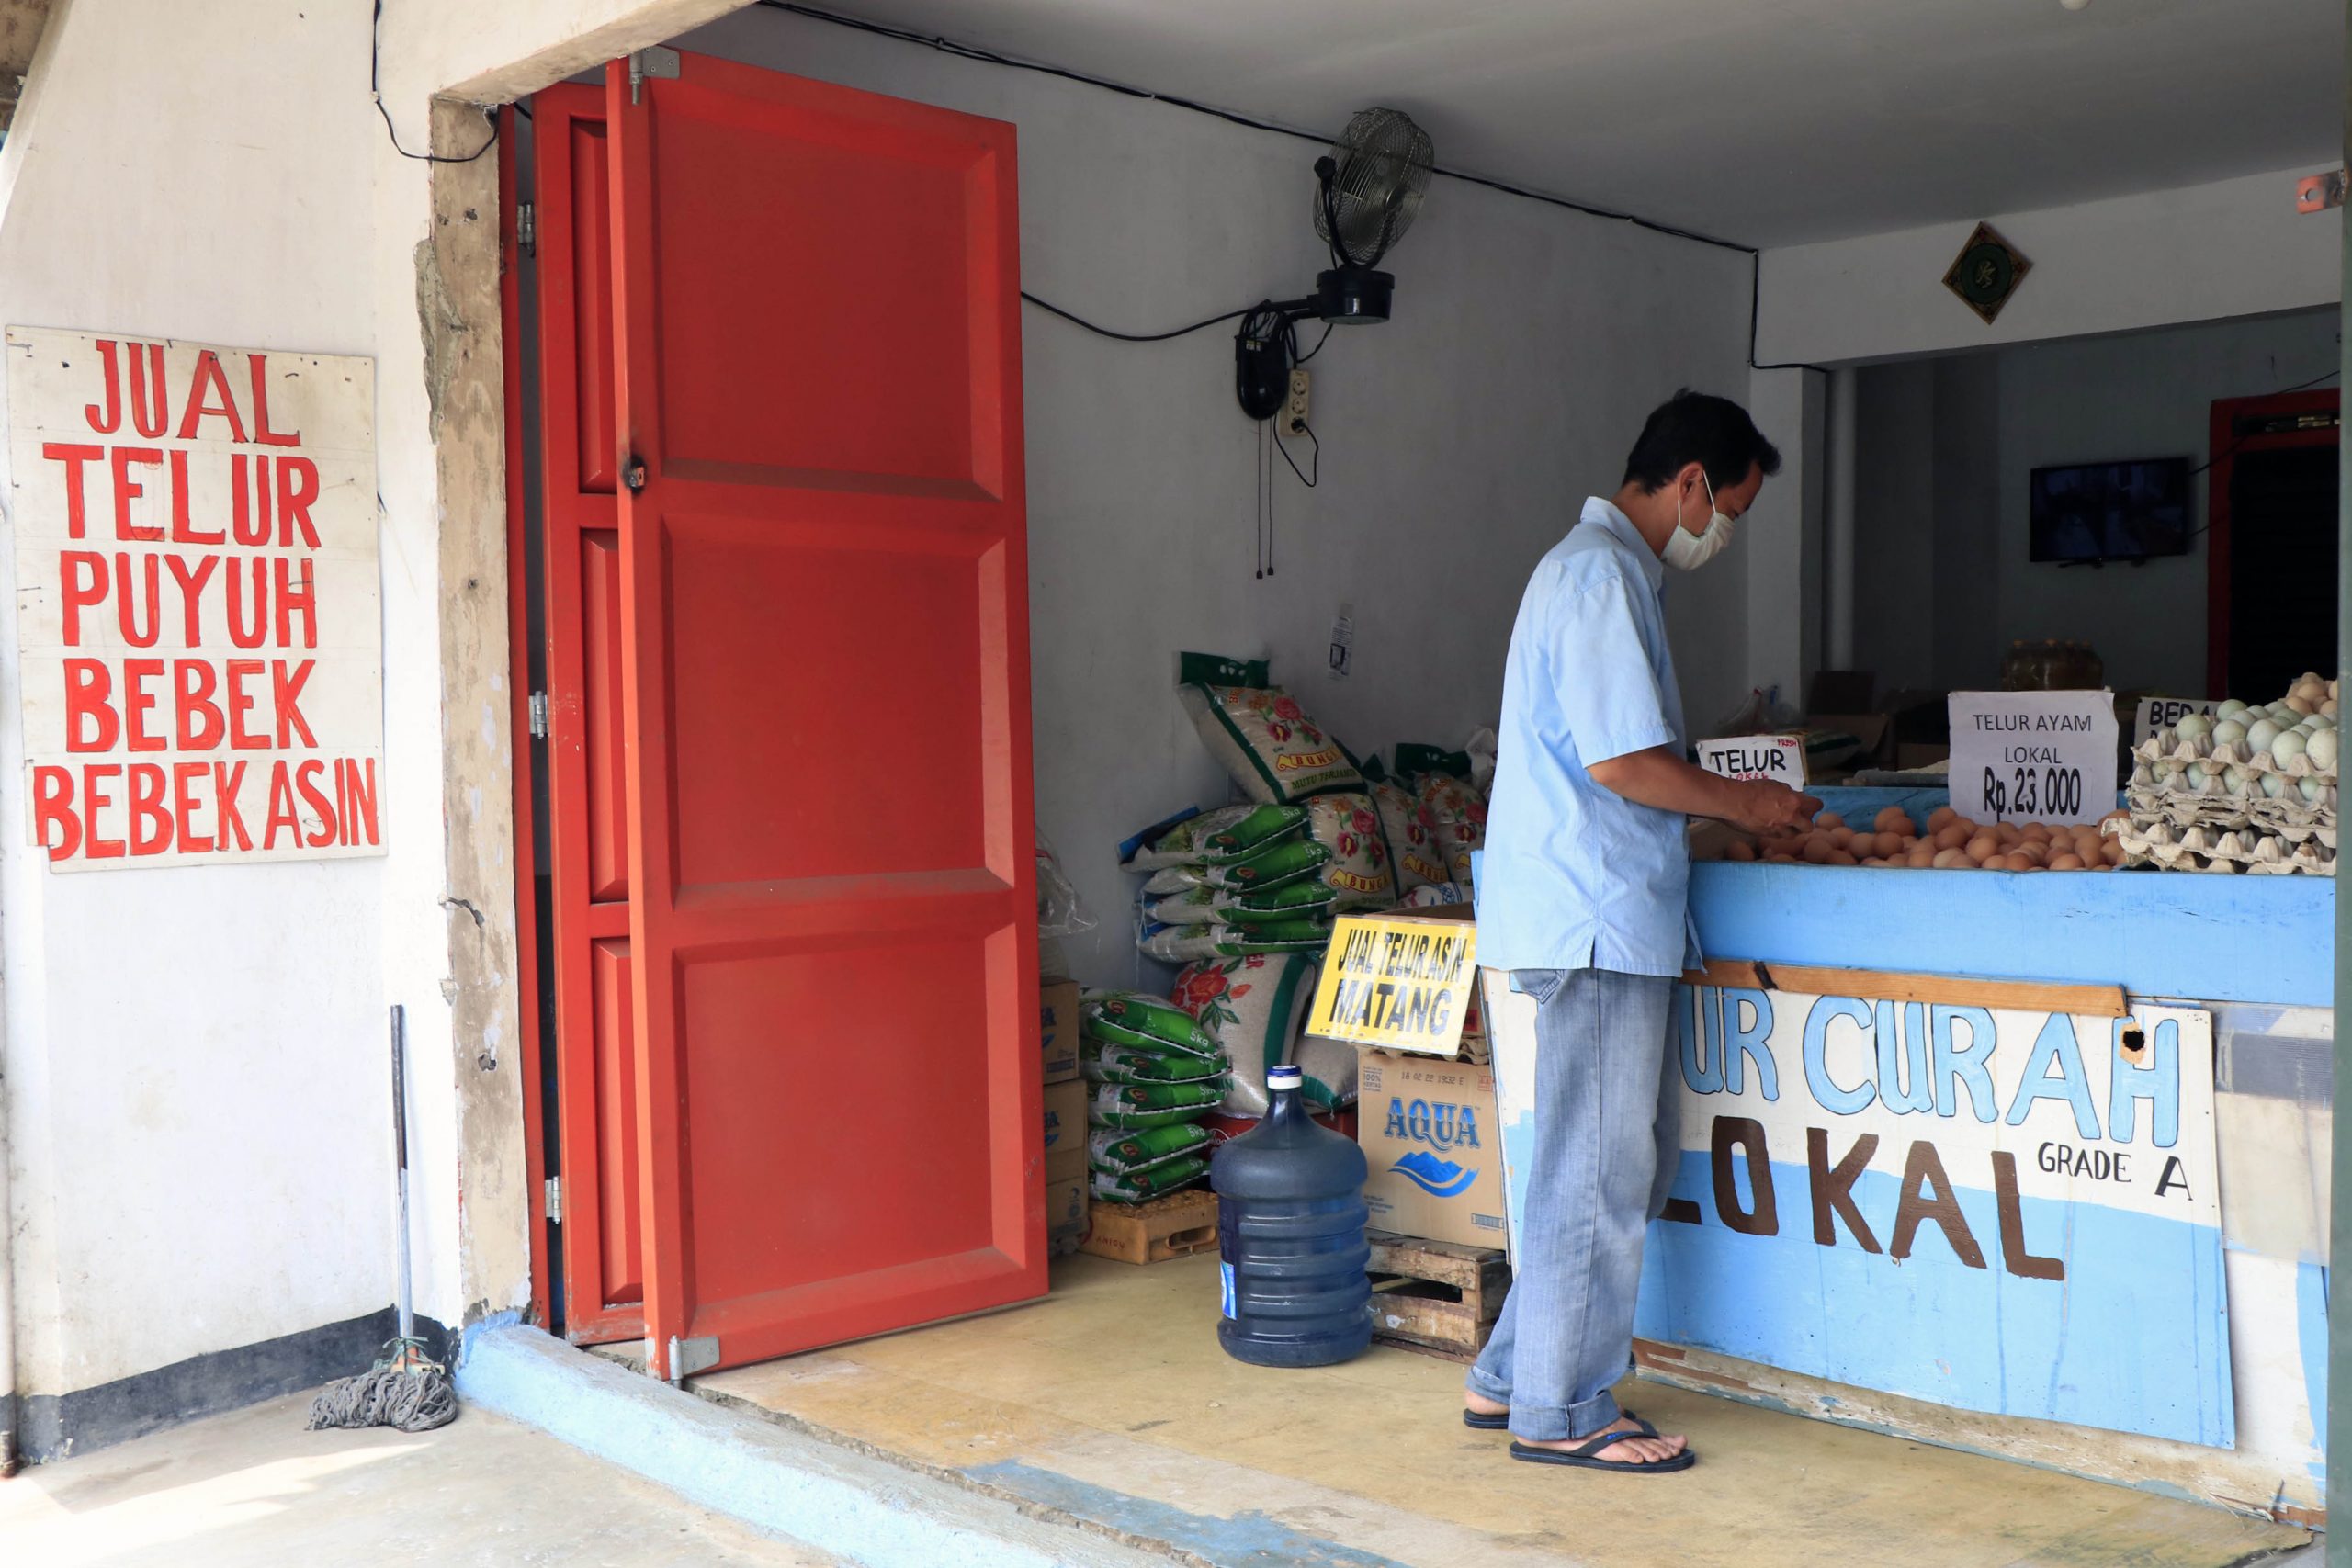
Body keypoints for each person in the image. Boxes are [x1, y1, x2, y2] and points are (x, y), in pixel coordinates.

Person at [1464, 389, 1819, 1473]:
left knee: (1605, 1156)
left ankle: (1505, 1379)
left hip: (1594, 916)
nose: (1726, 534)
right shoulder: (1598, 576)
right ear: (1691, 484)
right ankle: (1563, 1411)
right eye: (1733, 511)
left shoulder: (1596, 573)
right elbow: (1622, 763)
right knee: (1600, 1172)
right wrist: (1740, 803)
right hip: (1591, 922)